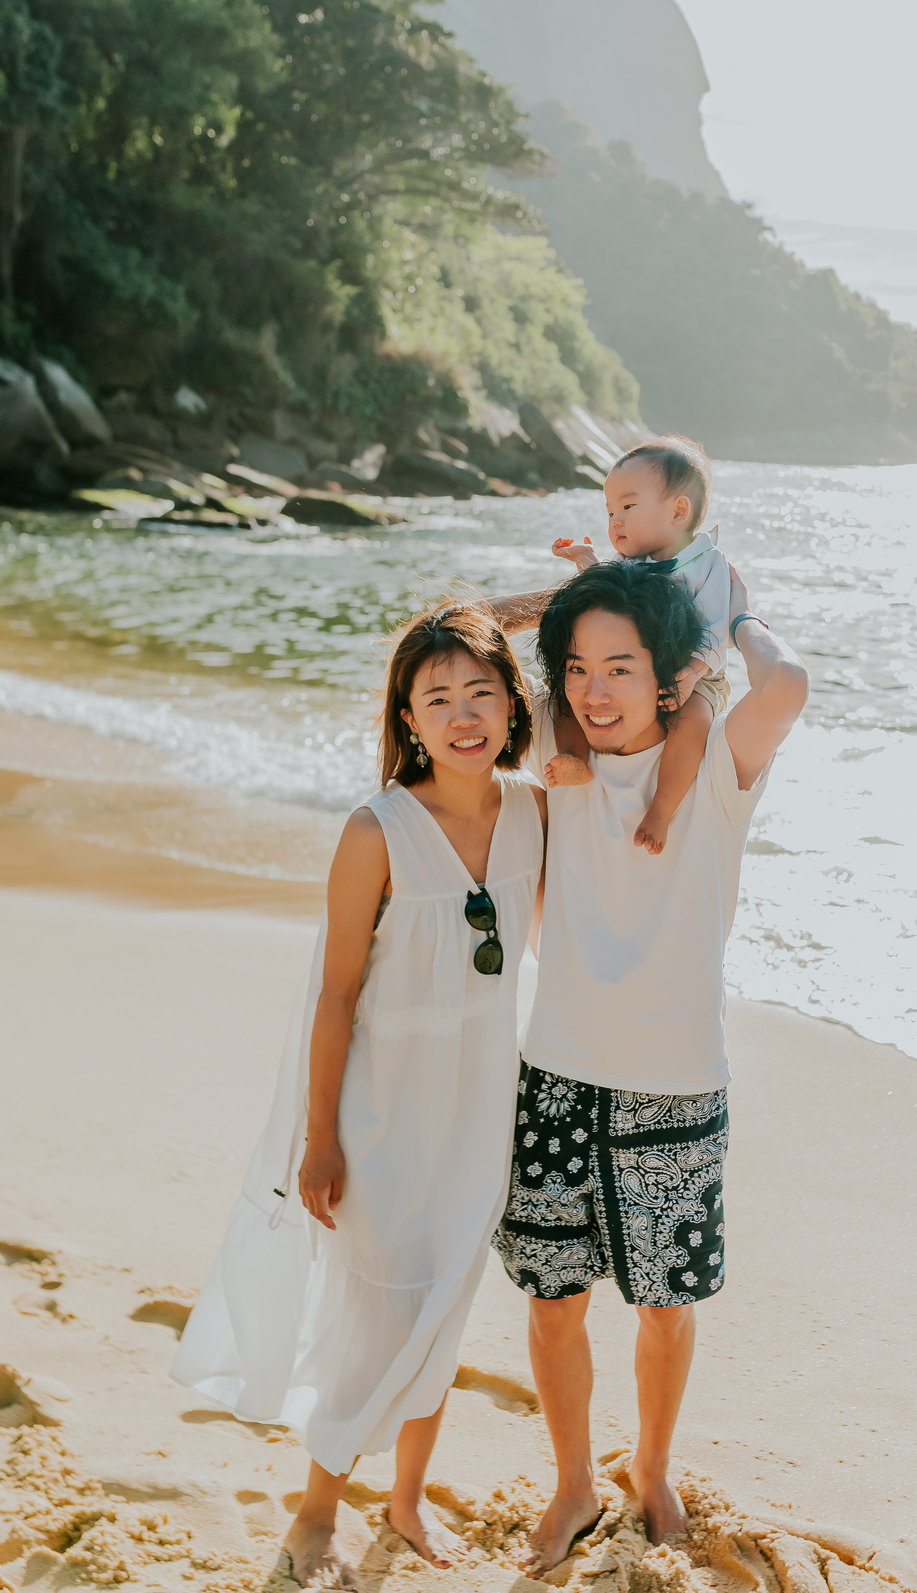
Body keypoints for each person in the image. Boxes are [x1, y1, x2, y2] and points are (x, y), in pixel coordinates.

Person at [171, 603, 546, 1589]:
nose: (463, 715)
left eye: (481, 692)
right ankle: (317, 1507)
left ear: (514, 704)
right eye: (438, 699)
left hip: (480, 1114)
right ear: (407, 718)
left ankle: (410, 1499)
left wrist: (535, 610)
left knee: (447, 1306)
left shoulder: (537, 812)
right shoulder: (376, 830)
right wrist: (321, 1140)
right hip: (380, 1116)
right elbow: (336, 996)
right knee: (379, 1313)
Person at [487, 557, 808, 1573]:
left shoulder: (712, 770)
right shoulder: (556, 756)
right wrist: (574, 595)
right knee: (552, 1301)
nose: (594, 689)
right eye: (577, 669)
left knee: (667, 1310)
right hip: (558, 1075)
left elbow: (788, 687)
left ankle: (654, 1467)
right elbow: (456, 641)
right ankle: (575, 1479)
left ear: (669, 679)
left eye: (621, 667)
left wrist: (733, 615)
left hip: (676, 1085)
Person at [545, 435, 731, 857]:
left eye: (627, 507)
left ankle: (662, 807)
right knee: (564, 693)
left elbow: (718, 628)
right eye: (610, 511)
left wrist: (694, 672)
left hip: (693, 672)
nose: (615, 521)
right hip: (635, 674)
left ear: (679, 511)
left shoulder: (707, 563)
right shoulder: (631, 565)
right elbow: (608, 599)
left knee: (695, 716)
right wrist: (586, 561)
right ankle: (573, 756)